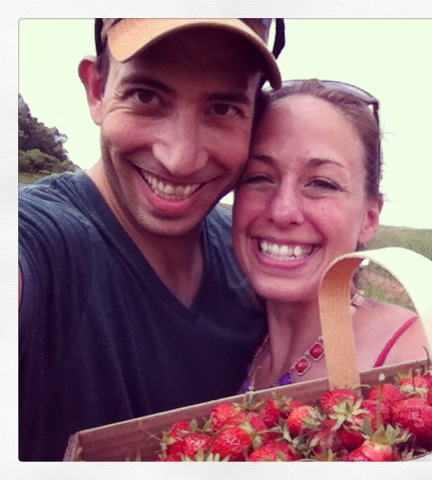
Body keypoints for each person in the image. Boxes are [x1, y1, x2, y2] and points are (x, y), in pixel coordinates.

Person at [18, 18, 285, 461]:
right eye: (146, 96)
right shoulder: (41, 239)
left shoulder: (251, 258)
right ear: (97, 90)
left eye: (221, 108)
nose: (179, 160)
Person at [231, 79, 428, 392]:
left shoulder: (417, 355)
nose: (282, 211)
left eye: (322, 183)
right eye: (259, 177)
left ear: (369, 217)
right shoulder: (234, 346)